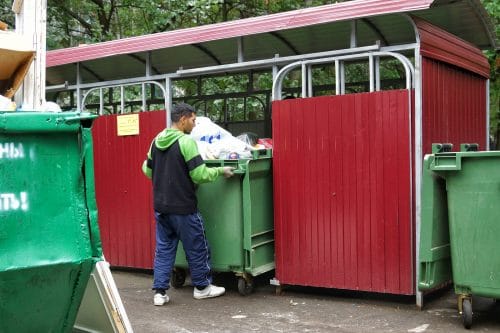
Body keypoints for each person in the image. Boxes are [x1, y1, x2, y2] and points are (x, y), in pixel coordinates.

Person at [142, 102, 235, 306]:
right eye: (193, 120)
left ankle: (159, 293)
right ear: (183, 119)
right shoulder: (186, 142)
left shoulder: (156, 141)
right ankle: (202, 287)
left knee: (164, 249)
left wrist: (166, 174)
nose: (194, 124)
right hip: (183, 208)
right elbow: (200, 174)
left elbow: (147, 170)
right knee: (197, 247)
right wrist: (221, 171)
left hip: (161, 207)